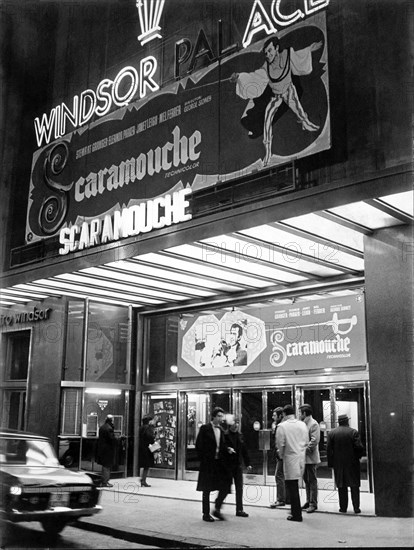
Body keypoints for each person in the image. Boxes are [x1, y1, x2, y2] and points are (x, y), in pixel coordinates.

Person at [230, 36, 323, 166]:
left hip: (289, 91)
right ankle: (268, 153)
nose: (268, 55)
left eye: (270, 51)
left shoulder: (287, 54)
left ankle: (306, 123)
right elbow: (253, 77)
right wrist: (239, 77)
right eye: (266, 53)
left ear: (277, 48)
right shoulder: (265, 68)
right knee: (267, 122)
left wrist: (311, 48)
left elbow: (300, 55)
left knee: (299, 111)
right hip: (276, 96)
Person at [195, 407, 232, 522]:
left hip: (218, 463)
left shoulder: (220, 429)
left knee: (225, 486)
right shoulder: (205, 428)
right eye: (219, 416)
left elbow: (222, 445)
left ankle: (217, 508)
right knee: (207, 489)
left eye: (222, 416)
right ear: (214, 417)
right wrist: (204, 459)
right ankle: (205, 513)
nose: (221, 419)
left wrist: (227, 449)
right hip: (208, 463)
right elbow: (199, 445)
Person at [276, 404, 308, 522]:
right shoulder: (302, 424)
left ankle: (296, 514)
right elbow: (306, 441)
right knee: (296, 486)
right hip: (301, 458)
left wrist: (281, 455)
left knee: (292, 487)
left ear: (284, 414)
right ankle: (296, 512)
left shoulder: (282, 426)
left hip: (289, 458)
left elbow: (280, 444)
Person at [327, 413, 364, 514]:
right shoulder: (353, 432)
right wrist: (358, 457)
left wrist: (331, 464)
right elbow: (359, 447)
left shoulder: (332, 433)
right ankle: (356, 508)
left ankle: (343, 508)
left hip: (338, 464)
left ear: (339, 422)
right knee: (354, 486)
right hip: (352, 463)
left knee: (341, 486)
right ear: (347, 421)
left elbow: (329, 450)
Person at [224, 415, 252, 517]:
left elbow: (244, 450)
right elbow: (223, 447)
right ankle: (218, 506)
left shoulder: (240, 435)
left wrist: (247, 463)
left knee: (239, 487)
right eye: (234, 423)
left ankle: (239, 509)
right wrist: (228, 449)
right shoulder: (225, 435)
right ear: (229, 424)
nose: (236, 425)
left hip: (237, 465)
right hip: (228, 465)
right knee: (225, 487)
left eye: (237, 423)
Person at [299, 404, 321, 513]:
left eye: (300, 413)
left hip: (310, 458)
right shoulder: (303, 424)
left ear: (304, 413)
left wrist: (305, 450)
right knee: (306, 480)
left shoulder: (314, 424)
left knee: (312, 480)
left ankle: (313, 503)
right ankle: (308, 501)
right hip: (304, 458)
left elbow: (315, 440)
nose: (299, 415)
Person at [269, 407, 289, 508]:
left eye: (274, 415)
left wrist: (279, 452)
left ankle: (281, 499)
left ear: (280, 415)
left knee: (279, 475)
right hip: (283, 455)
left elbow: (280, 441)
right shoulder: (278, 425)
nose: (273, 417)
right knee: (284, 476)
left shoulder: (281, 426)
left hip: (282, 455)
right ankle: (287, 498)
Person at [96, 414, 117, 487]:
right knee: (107, 466)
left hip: (102, 449)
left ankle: (104, 481)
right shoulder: (109, 428)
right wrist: (117, 439)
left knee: (105, 466)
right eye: (113, 420)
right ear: (111, 420)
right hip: (108, 450)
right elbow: (112, 439)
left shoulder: (102, 427)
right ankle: (105, 481)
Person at [138, 415, 156, 487]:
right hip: (147, 448)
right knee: (146, 465)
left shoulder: (141, 428)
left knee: (145, 465)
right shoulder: (148, 428)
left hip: (142, 448)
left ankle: (143, 479)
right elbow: (150, 438)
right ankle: (143, 480)